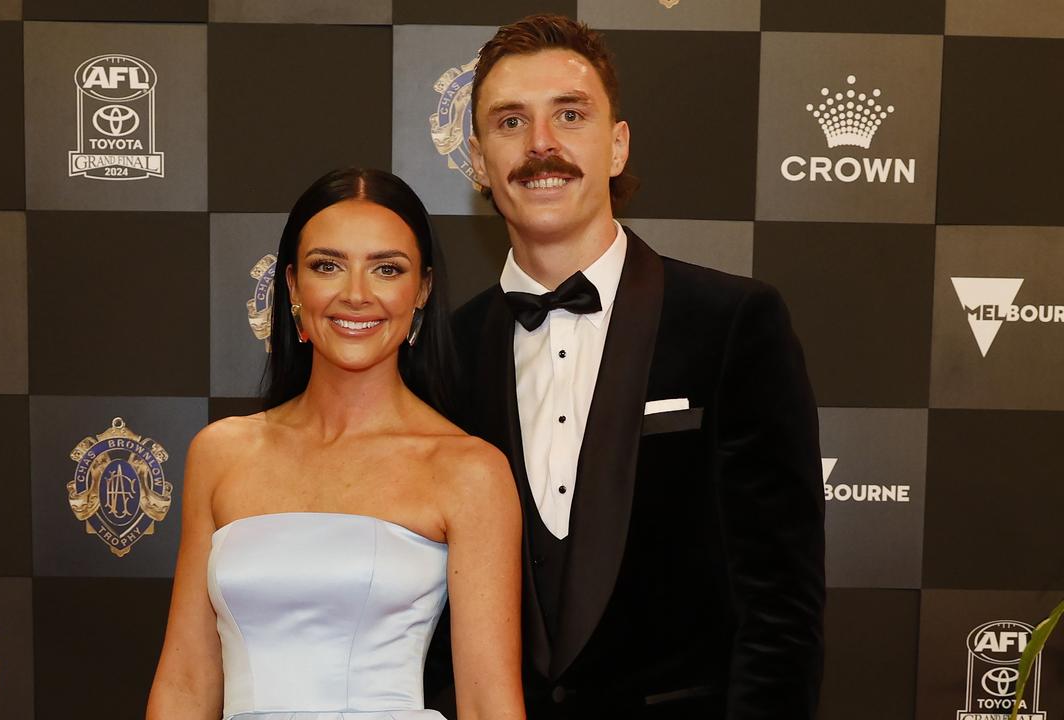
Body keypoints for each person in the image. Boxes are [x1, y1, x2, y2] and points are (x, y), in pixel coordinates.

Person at [439, 14, 825, 719]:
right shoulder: (446, 352)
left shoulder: (734, 322)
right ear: (479, 159)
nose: (542, 145)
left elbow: (781, 607)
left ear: (616, 146)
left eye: (571, 115)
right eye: (510, 122)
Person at [146, 168, 526, 720]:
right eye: (328, 266)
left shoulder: (468, 469)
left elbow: (489, 701)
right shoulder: (220, 453)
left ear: (421, 289)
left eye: (386, 269)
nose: (355, 295)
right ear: (294, 286)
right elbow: (184, 682)